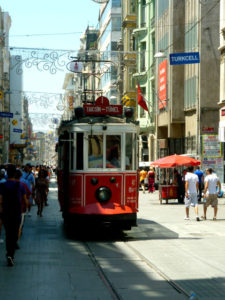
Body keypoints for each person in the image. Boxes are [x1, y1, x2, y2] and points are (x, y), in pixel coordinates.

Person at [0, 164, 26, 266]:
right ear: (15, 174)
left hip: (6, 213)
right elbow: (25, 200)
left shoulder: (2, 185)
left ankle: (9, 254)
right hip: (16, 213)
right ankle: (11, 254)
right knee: (14, 234)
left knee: (8, 234)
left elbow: (0, 200)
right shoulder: (20, 185)